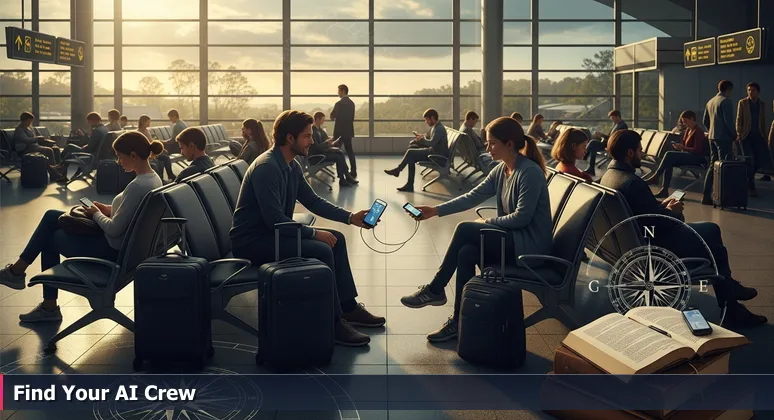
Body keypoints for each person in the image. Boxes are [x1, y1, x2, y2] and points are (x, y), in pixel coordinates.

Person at [229, 110, 385, 346]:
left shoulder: (290, 165)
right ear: (290, 138)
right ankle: (332, 323)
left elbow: (312, 201)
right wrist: (313, 233)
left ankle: (348, 307)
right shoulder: (267, 168)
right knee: (322, 249)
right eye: (307, 136)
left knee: (337, 238)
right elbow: (274, 219)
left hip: (272, 235)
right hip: (252, 242)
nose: (312, 141)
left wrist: (350, 216)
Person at [399, 117, 552, 342]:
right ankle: (459, 321)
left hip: (529, 248)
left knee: (465, 229)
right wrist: (435, 210)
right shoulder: (503, 170)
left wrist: (486, 223)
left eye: (492, 143)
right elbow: (473, 196)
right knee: (466, 252)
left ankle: (435, 289)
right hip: (513, 240)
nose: (487, 148)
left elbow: (522, 218)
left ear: (509, 144)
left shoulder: (529, 172)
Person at [599, 130, 765, 329]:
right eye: (640, 150)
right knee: (714, 239)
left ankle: (730, 292)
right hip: (655, 245)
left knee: (712, 239)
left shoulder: (611, 176)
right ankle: (731, 303)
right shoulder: (632, 182)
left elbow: (642, 212)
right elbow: (658, 225)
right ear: (630, 153)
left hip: (633, 242)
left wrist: (660, 205)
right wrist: (674, 211)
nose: (642, 154)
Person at [0, 132, 163, 322]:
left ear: (134, 155)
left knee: (48, 239)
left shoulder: (137, 185)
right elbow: (133, 212)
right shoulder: (153, 179)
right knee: (52, 216)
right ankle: (19, 275)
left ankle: (43, 300)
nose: (119, 161)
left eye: (120, 156)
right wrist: (108, 209)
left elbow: (114, 230)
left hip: (111, 251)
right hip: (129, 251)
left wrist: (95, 213)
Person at [644, 110, 708, 198]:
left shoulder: (698, 131)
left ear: (692, 119)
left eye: (686, 121)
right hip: (689, 156)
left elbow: (697, 150)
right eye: (683, 122)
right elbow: (686, 147)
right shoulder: (688, 130)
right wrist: (680, 147)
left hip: (697, 158)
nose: (684, 124)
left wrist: (683, 148)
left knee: (669, 155)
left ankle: (656, 176)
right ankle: (664, 190)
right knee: (669, 162)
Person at [384, 108, 448, 192]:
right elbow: (431, 139)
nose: (426, 122)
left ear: (432, 118)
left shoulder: (438, 129)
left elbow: (431, 143)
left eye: (427, 120)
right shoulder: (436, 127)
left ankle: (399, 171)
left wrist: (421, 140)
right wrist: (421, 137)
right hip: (433, 153)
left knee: (411, 152)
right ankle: (408, 183)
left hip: (436, 157)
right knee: (411, 152)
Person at [701, 80, 737, 205]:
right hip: (724, 139)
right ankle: (724, 197)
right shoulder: (726, 101)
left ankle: (706, 195)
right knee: (724, 167)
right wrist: (734, 135)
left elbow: (705, 120)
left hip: (712, 137)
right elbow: (729, 122)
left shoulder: (710, 101)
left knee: (713, 166)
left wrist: (712, 131)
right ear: (728, 89)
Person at [736, 82, 771, 197]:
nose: (751, 92)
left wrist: (765, 136)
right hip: (746, 136)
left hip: (758, 135)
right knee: (749, 160)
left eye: (753, 90)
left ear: (758, 91)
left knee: (759, 161)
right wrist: (739, 133)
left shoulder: (762, 104)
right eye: (749, 90)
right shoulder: (743, 103)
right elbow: (739, 119)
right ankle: (750, 186)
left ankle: (748, 180)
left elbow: (763, 121)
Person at [54, 112, 109, 184]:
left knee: (69, 147)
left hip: (91, 154)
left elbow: (90, 148)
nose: (89, 123)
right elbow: (94, 143)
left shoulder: (97, 131)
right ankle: (61, 166)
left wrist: (83, 138)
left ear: (93, 120)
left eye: (89, 121)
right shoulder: (104, 129)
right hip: (99, 154)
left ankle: (60, 166)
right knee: (70, 150)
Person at [13, 112, 65, 182]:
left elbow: (37, 137)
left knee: (56, 149)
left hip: (33, 146)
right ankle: (54, 173)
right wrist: (37, 138)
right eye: (29, 121)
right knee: (48, 150)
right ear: (24, 120)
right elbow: (26, 140)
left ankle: (57, 169)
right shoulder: (19, 130)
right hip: (25, 149)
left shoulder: (30, 127)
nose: (30, 123)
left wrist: (43, 139)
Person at [312, 112, 358, 187]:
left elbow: (326, 140)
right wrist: (327, 143)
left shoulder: (319, 130)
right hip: (318, 156)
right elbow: (316, 147)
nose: (323, 121)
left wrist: (331, 142)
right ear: (317, 119)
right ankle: (344, 178)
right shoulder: (313, 131)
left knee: (340, 153)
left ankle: (344, 177)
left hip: (322, 152)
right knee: (338, 156)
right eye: (322, 120)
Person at [584, 109, 628, 176]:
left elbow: (614, 138)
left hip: (613, 145)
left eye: (612, 117)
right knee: (593, 146)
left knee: (593, 143)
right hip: (608, 142)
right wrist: (601, 135)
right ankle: (590, 167)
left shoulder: (623, 126)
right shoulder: (615, 124)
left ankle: (585, 156)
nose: (612, 119)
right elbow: (610, 136)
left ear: (617, 117)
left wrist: (602, 135)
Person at [330, 84, 357, 178]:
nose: (338, 93)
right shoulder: (352, 103)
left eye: (339, 91)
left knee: (337, 152)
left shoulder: (339, 104)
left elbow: (332, 116)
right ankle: (353, 171)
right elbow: (352, 118)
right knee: (350, 151)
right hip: (348, 131)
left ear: (343, 91)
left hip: (339, 132)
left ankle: (343, 171)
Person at [155, 109, 188, 181]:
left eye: (170, 117)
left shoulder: (177, 126)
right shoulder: (182, 123)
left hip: (178, 147)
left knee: (161, 152)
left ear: (175, 116)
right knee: (163, 152)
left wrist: (162, 142)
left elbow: (173, 140)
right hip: (183, 146)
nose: (170, 119)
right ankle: (169, 174)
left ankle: (163, 175)